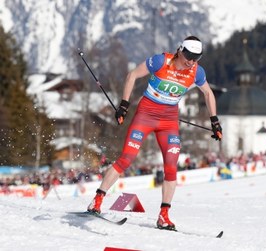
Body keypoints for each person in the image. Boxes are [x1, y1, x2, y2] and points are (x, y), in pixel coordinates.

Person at [87, 35, 222, 230]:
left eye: (196, 58)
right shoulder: (160, 61)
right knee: (126, 158)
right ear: (180, 50)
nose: (191, 61)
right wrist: (124, 105)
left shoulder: (196, 72)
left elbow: (208, 93)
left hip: (168, 122)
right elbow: (132, 75)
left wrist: (215, 121)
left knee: (171, 167)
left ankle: (164, 216)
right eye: (189, 56)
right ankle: (97, 201)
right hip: (145, 116)